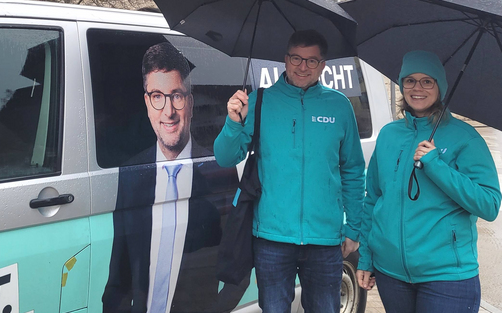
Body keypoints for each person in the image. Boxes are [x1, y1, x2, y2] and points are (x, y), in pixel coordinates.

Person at [214, 30, 365, 313]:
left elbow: (354, 171)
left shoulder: (339, 106)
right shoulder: (259, 101)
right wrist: (233, 122)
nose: (302, 66)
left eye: (311, 60)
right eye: (296, 58)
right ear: (285, 59)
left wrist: (354, 228)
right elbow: (225, 157)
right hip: (272, 238)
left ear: (322, 65)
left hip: (325, 239)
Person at [103, 42, 246, 313]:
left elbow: (238, 271)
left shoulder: (218, 170)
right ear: (147, 103)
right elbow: (118, 279)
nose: (168, 111)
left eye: (177, 96)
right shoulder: (131, 175)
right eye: (157, 96)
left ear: (190, 104)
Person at [356, 50, 501, 313]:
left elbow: (489, 205)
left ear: (440, 87)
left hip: (446, 278)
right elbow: (373, 199)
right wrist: (366, 258)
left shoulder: (465, 137)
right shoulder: (389, 135)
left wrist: (436, 165)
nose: (417, 88)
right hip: (391, 274)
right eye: (410, 80)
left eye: (427, 81)